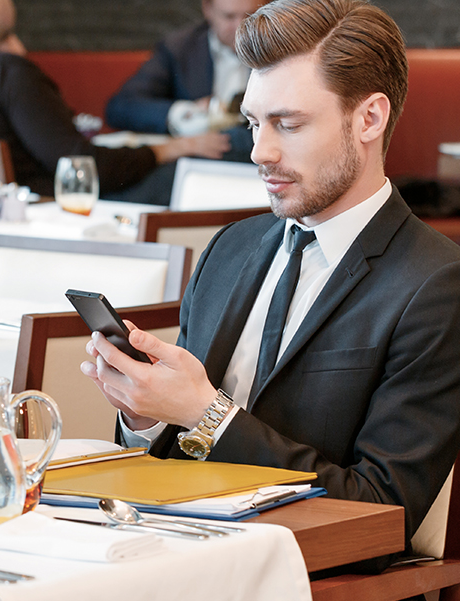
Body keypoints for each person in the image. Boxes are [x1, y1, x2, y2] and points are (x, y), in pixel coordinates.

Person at [82, 0, 460, 556]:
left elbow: (383, 507)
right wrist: (146, 416)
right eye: (255, 123)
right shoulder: (229, 248)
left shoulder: (435, 284)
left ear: (369, 119)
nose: (260, 151)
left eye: (288, 123)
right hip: (179, 549)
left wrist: (204, 414)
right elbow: (172, 459)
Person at [0, 0, 231, 202]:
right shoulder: (7, 73)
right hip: (42, 212)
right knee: (179, 175)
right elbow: (83, 166)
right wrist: (174, 148)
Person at [105, 0, 267, 139]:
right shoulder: (179, 48)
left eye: (250, 16)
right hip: (198, 157)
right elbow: (121, 107)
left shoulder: (282, 47)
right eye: (229, 17)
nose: (240, 27)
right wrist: (180, 113)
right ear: (207, 9)